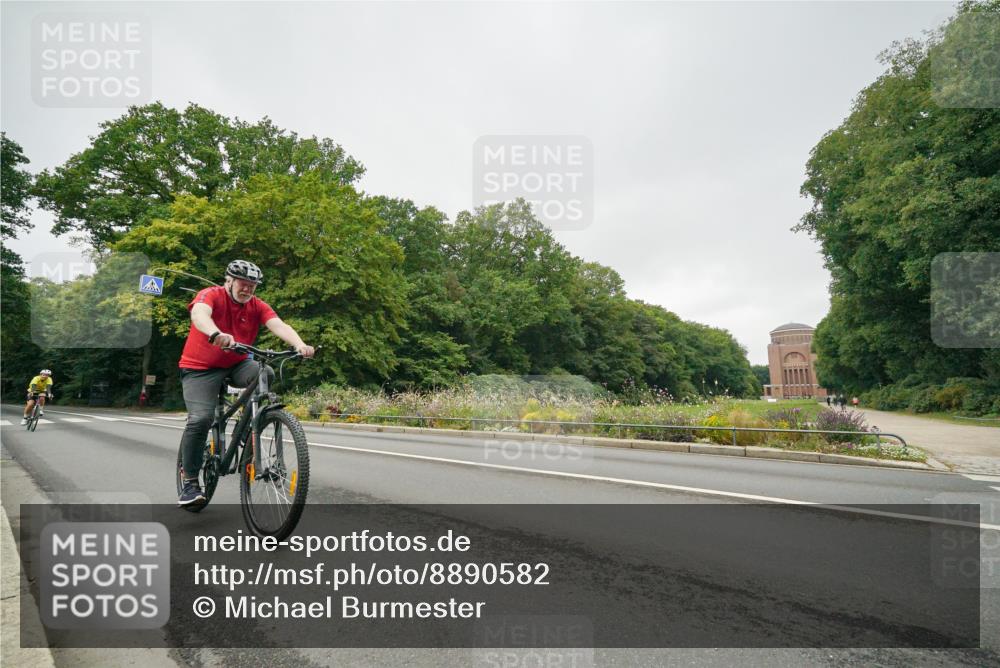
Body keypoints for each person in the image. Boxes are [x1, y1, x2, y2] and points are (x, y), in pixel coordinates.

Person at [176, 260, 314, 508]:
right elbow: (199, 314)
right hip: (200, 369)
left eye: (253, 286)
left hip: (236, 365)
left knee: (265, 371)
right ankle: (189, 483)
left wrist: (299, 344)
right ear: (229, 281)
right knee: (200, 420)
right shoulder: (211, 295)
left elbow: (278, 324)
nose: (248, 290)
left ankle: (251, 422)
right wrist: (215, 334)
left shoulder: (256, 306)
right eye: (243, 284)